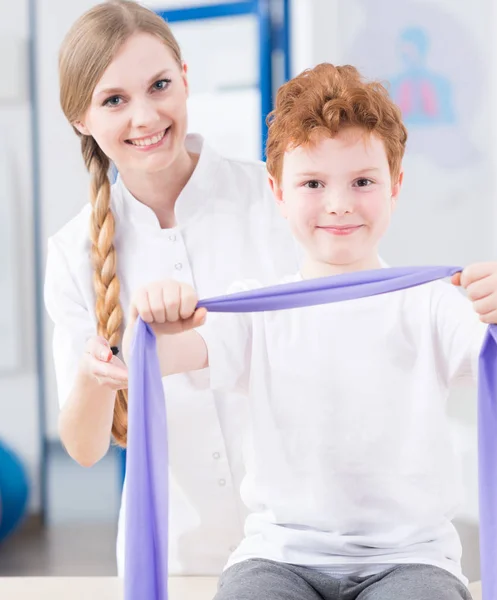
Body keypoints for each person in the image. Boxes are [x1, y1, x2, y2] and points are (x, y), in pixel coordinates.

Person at [124, 63, 497, 599]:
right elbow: (152, 358)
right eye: (312, 183)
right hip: (279, 556)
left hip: (411, 559)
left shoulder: (431, 303)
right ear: (278, 192)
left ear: (395, 186)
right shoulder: (254, 308)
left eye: (362, 182)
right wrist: (153, 316)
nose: (339, 203)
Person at [43, 0, 298, 575]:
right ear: (81, 120)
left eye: (159, 85)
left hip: (301, 544)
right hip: (173, 555)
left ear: (185, 80)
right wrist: (95, 374)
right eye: (114, 100)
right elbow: (85, 448)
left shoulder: (277, 198)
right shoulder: (73, 253)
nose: (145, 117)